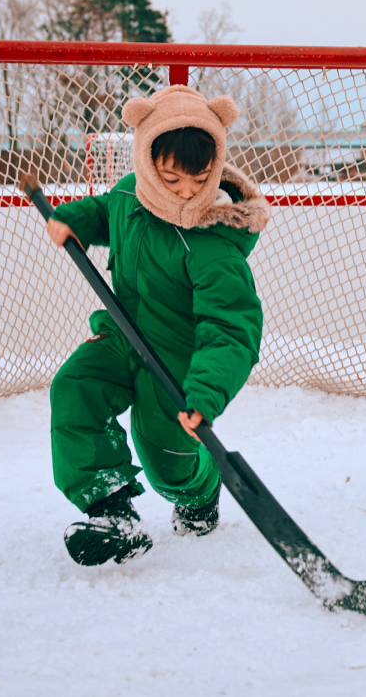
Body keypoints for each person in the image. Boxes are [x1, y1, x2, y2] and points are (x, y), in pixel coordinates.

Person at [45, 85, 270, 566]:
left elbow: (232, 329)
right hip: (124, 334)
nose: (186, 193)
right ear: (147, 163)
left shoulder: (211, 245)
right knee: (76, 386)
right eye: (170, 178)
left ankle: (200, 497)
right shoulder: (130, 192)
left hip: (179, 361)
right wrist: (73, 221)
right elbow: (109, 211)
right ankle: (112, 511)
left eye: (199, 178)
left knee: (167, 459)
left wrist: (205, 394)